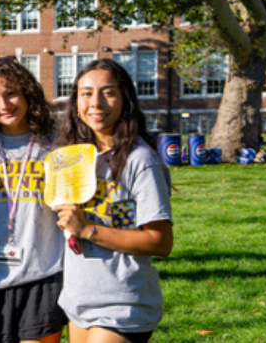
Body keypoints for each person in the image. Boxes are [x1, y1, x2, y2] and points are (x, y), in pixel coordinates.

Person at [54, 59, 174, 343]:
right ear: (76, 101)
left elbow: (160, 241)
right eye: (86, 93)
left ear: (125, 99)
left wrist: (87, 231)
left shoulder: (140, 160)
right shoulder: (73, 158)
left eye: (108, 92)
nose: (96, 103)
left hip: (122, 305)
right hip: (77, 301)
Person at [0, 58, 66, 343]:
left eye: (11, 94)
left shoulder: (55, 144)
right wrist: (0, 208)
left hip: (42, 273)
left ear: (28, 93)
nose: (4, 104)